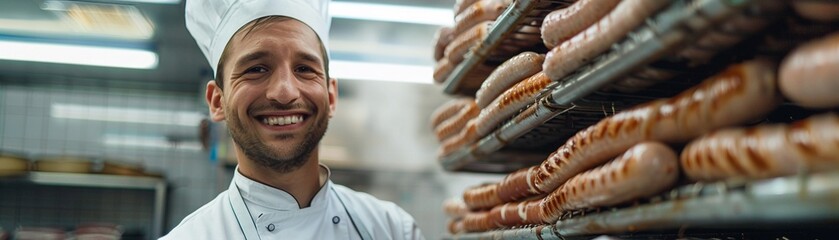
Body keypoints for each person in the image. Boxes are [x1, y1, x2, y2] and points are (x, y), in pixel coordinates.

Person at [161, 0, 424, 239]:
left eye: (304, 69)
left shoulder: (392, 229)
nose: (285, 92)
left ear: (331, 96)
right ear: (217, 101)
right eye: (256, 69)